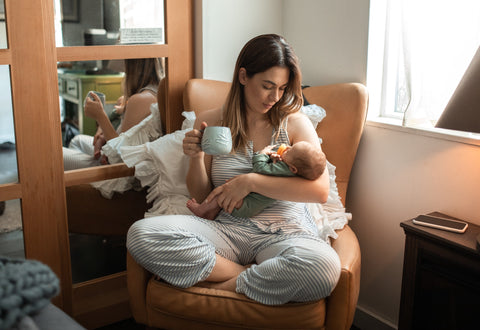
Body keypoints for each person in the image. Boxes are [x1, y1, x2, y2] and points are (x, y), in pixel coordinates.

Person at [127, 34, 341, 305]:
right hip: (227, 232)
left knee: (323, 268)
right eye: (267, 86)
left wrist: (251, 182)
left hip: (286, 232)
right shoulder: (209, 120)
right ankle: (245, 276)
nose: (275, 97)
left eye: (282, 88)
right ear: (243, 76)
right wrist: (196, 156)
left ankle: (227, 283)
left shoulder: (296, 123)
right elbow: (202, 194)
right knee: (141, 234)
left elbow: (320, 191)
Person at [63, 58, 163, 170]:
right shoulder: (153, 90)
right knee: (77, 141)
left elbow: (120, 156)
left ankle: (85, 176)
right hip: (112, 156)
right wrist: (102, 133)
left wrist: (100, 116)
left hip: (118, 172)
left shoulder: (140, 100)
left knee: (59, 156)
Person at [186, 141, 326, 219]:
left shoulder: (284, 170)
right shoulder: (290, 172)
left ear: (293, 169)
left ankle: (203, 209)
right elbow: (271, 173)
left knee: (224, 192)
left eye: (289, 151)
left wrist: (262, 154)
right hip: (249, 204)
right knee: (224, 193)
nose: (286, 148)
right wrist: (274, 160)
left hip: (247, 205)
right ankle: (211, 212)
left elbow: (260, 169)